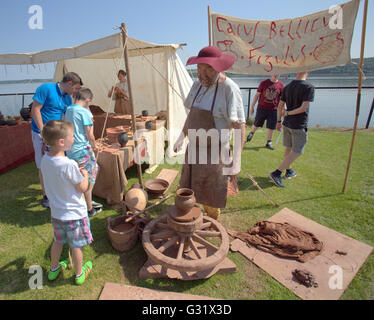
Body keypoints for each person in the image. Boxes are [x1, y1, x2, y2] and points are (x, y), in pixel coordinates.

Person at [173, 46, 246, 222]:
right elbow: (192, 114)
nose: (202, 74)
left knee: (211, 195)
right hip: (195, 150)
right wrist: (181, 137)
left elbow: (239, 126)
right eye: (200, 68)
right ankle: (194, 218)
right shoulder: (197, 85)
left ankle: (213, 222)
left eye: (209, 69)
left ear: (219, 68)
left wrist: (236, 161)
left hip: (216, 152)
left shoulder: (229, 89)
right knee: (191, 190)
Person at [40, 120, 93, 285]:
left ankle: (54, 269)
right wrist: (84, 174)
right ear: (61, 142)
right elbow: (83, 188)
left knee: (58, 242)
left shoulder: (44, 160)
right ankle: (79, 274)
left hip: (57, 213)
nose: (73, 139)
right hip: (74, 215)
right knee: (75, 246)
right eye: (72, 136)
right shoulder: (69, 164)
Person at [31, 72, 83, 208]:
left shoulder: (67, 99)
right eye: (76, 88)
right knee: (43, 163)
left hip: (58, 135)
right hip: (40, 133)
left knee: (58, 162)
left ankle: (59, 190)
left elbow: (64, 117)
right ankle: (46, 195)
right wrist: (43, 131)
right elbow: (35, 109)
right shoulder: (46, 88)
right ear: (70, 83)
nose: (76, 92)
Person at [269, 71, 315, 187]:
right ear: (308, 71)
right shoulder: (308, 87)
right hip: (298, 124)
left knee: (288, 149)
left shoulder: (288, 87)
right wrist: (288, 113)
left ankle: (289, 171)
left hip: (287, 124)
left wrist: (279, 121)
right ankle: (277, 172)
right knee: (297, 151)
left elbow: (280, 106)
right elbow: (303, 108)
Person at [65, 87, 103, 217]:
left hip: (70, 149)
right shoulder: (84, 112)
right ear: (88, 100)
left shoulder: (68, 109)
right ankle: (89, 207)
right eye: (89, 103)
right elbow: (89, 134)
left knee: (80, 174)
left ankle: (82, 201)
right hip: (82, 150)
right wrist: (95, 145)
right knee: (89, 174)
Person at [246, 74, 284, 150]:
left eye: (278, 73)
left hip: (273, 109)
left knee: (271, 126)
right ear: (271, 73)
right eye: (274, 73)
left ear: (280, 74)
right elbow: (257, 95)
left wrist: (283, 109)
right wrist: (252, 106)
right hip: (262, 108)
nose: (276, 75)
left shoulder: (281, 85)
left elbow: (282, 99)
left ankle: (268, 142)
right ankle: (252, 133)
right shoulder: (264, 83)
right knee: (257, 124)